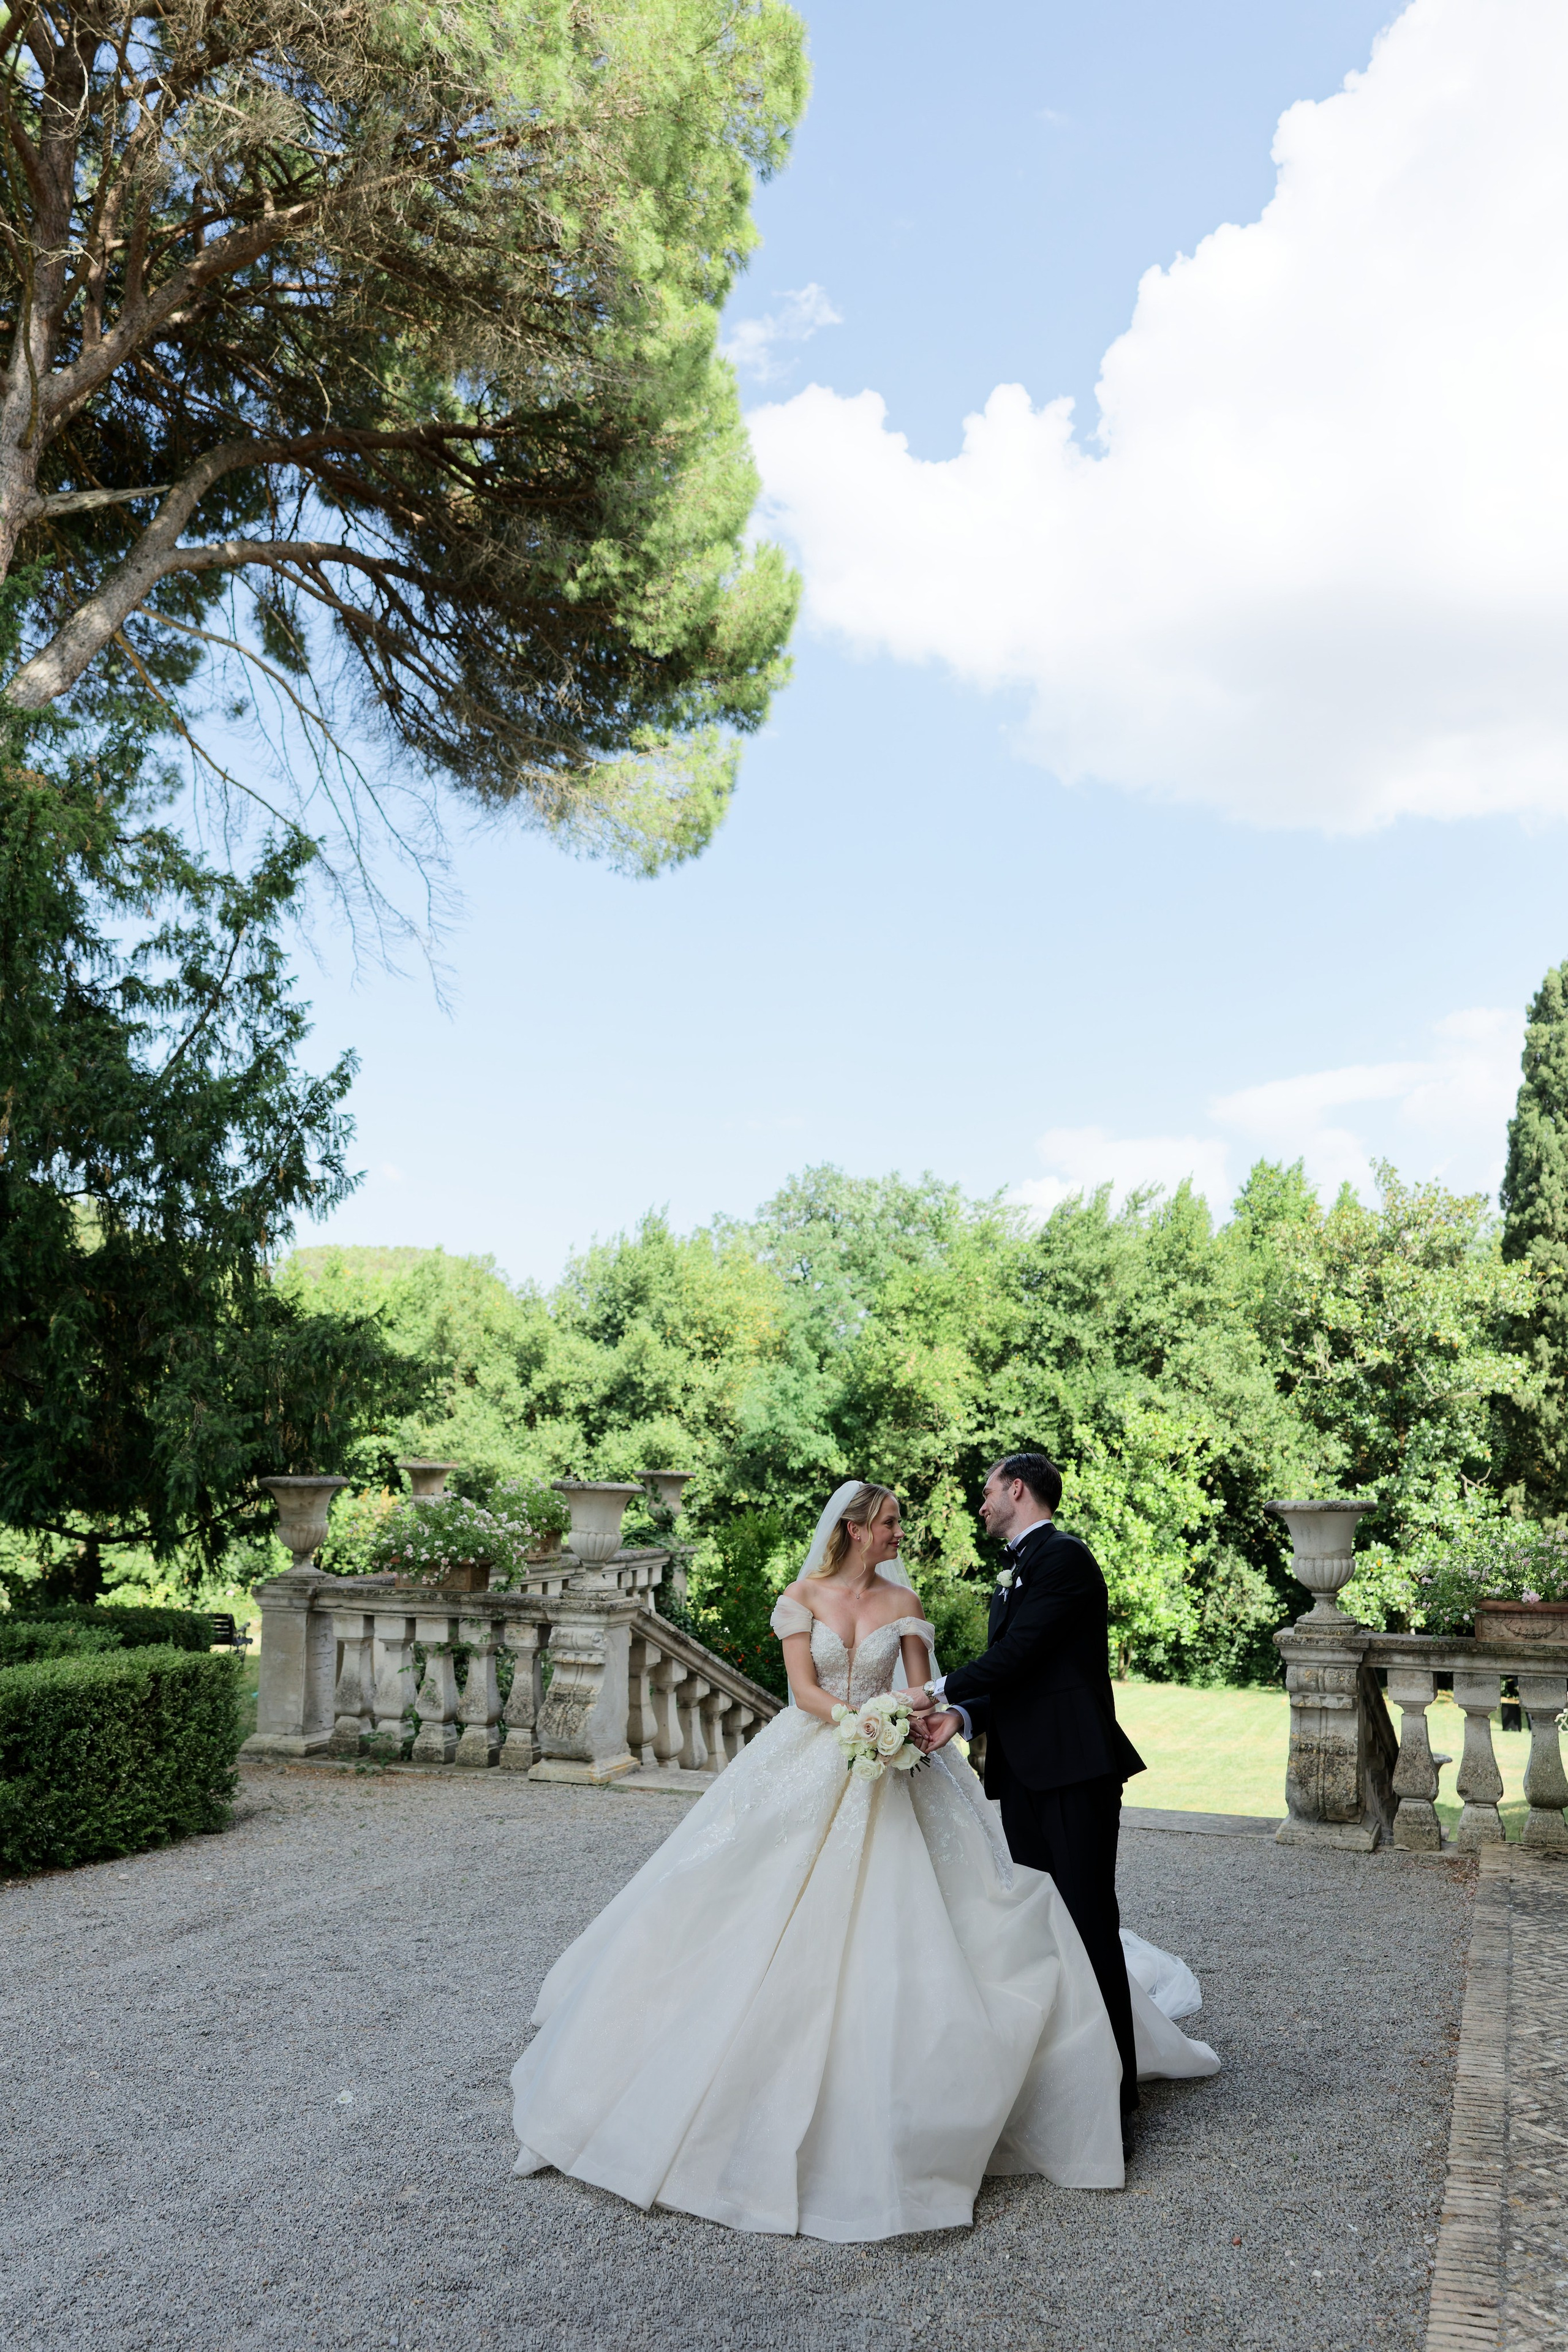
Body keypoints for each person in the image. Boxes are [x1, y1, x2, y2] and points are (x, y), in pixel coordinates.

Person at [510, 1479, 1217, 2242]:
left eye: (897, 1523)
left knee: (940, 1915)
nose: (898, 1534)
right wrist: (854, 1721)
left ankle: (1071, 2079)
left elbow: (922, 1687)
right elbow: (801, 1689)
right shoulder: (801, 1595)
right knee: (748, 1899)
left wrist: (904, 1720)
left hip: (900, 1766)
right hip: (810, 1755)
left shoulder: (906, 1602)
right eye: (887, 1523)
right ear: (851, 1529)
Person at [911, 1453, 1148, 2158]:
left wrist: (929, 1695)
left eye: (986, 1491)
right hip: (1025, 1773)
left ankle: (1115, 2097)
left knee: (1088, 1924)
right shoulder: (1021, 1564)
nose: (979, 1504)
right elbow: (1025, 1673)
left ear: (1016, 1489)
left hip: (1074, 1772)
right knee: (1045, 1929)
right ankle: (1063, 2080)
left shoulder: (1064, 1559)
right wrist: (965, 1718)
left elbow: (1020, 1654)